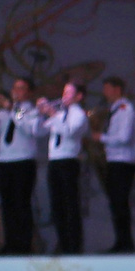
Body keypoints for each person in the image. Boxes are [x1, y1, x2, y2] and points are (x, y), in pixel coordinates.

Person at [0, 79, 43, 256]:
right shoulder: (4, 112)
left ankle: (24, 245)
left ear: (29, 92)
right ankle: (10, 243)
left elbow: (30, 128)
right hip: (4, 162)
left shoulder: (32, 111)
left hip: (23, 162)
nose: (16, 91)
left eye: (21, 88)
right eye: (14, 88)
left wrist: (11, 108)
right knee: (7, 205)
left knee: (21, 203)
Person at [41, 80, 89, 254]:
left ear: (79, 96)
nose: (64, 96)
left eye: (69, 92)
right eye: (64, 92)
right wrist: (40, 113)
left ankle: (74, 246)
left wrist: (53, 113)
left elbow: (69, 132)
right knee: (57, 205)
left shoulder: (79, 115)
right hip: (54, 161)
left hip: (69, 161)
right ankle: (63, 243)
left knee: (70, 205)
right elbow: (39, 130)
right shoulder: (60, 113)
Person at [97, 76, 135, 252]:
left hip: (123, 161)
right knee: (115, 203)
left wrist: (101, 138)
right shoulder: (115, 109)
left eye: (107, 88)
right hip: (114, 160)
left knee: (120, 202)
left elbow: (123, 137)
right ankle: (121, 240)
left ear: (117, 89)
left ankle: (125, 242)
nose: (104, 92)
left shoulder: (125, 109)